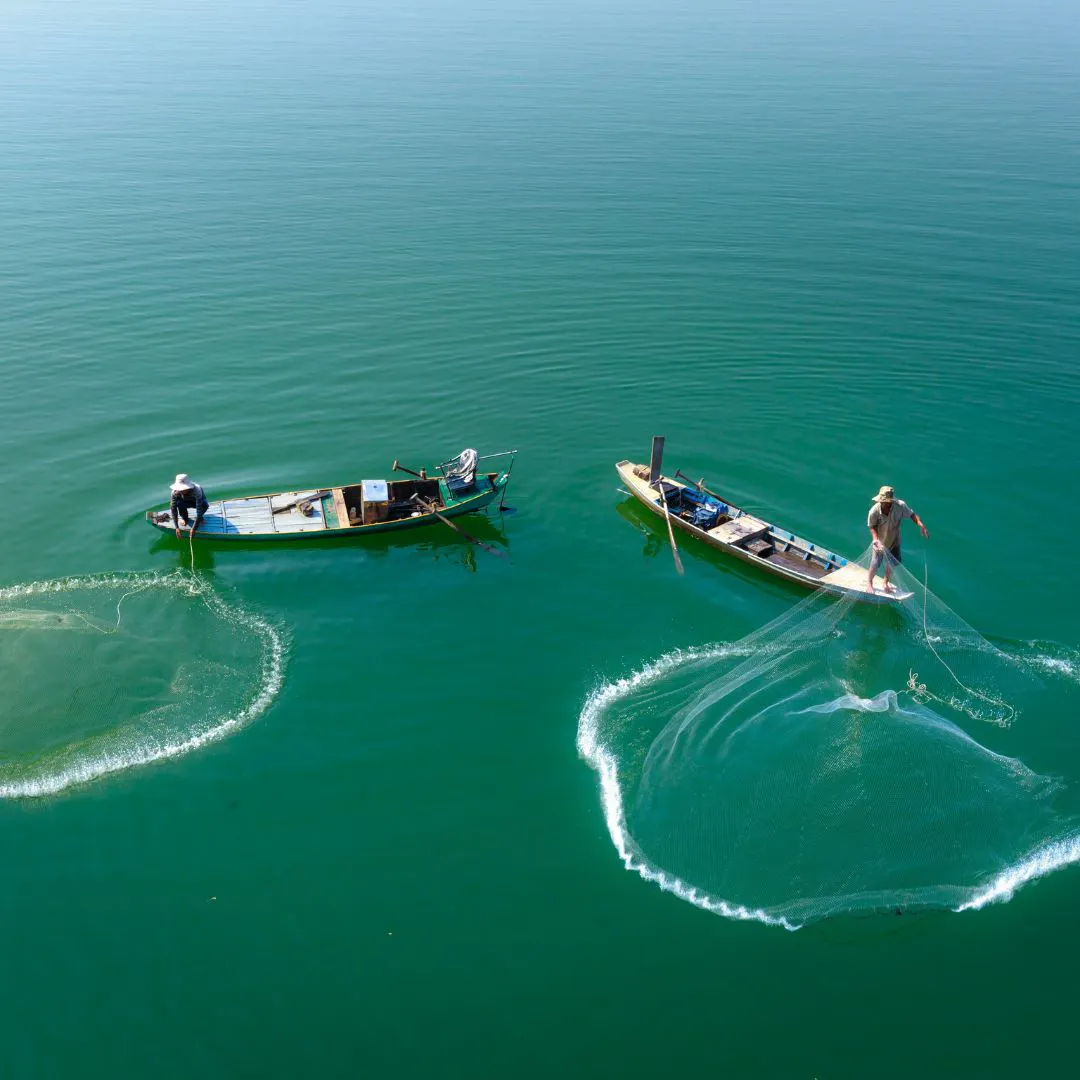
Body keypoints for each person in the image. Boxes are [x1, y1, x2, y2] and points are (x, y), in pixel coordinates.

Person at [867, 484, 929, 592]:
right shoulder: (874, 511)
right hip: (880, 542)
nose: (882, 503)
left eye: (885, 501)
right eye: (881, 501)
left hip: (894, 540)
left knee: (892, 562)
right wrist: (875, 539)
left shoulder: (900, 506)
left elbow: (911, 515)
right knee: (875, 563)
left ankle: (885, 582)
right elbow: (871, 526)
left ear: (890, 501)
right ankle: (869, 582)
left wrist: (920, 524)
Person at [170, 473, 209, 539]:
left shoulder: (197, 490)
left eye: (182, 489)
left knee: (205, 506)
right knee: (179, 503)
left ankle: (200, 519)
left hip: (198, 501)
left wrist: (193, 529)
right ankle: (185, 519)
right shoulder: (175, 493)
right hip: (184, 501)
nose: (180, 491)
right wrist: (176, 527)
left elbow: (199, 511)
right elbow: (173, 510)